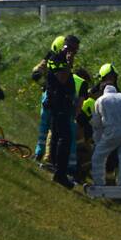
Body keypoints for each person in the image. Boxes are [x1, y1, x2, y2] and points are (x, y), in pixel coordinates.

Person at [45, 35, 80, 188]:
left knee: (57, 135)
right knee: (64, 138)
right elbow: (62, 79)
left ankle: (55, 167)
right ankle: (60, 173)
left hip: (64, 103)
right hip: (58, 103)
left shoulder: (62, 61)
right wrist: (68, 64)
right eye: (73, 49)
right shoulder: (55, 59)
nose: (74, 53)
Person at [32, 35, 64, 162]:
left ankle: (43, 154)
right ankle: (43, 155)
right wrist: (45, 84)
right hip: (51, 96)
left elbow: (36, 73)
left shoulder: (50, 60)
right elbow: (35, 74)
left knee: (47, 126)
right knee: (49, 126)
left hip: (52, 96)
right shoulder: (51, 60)